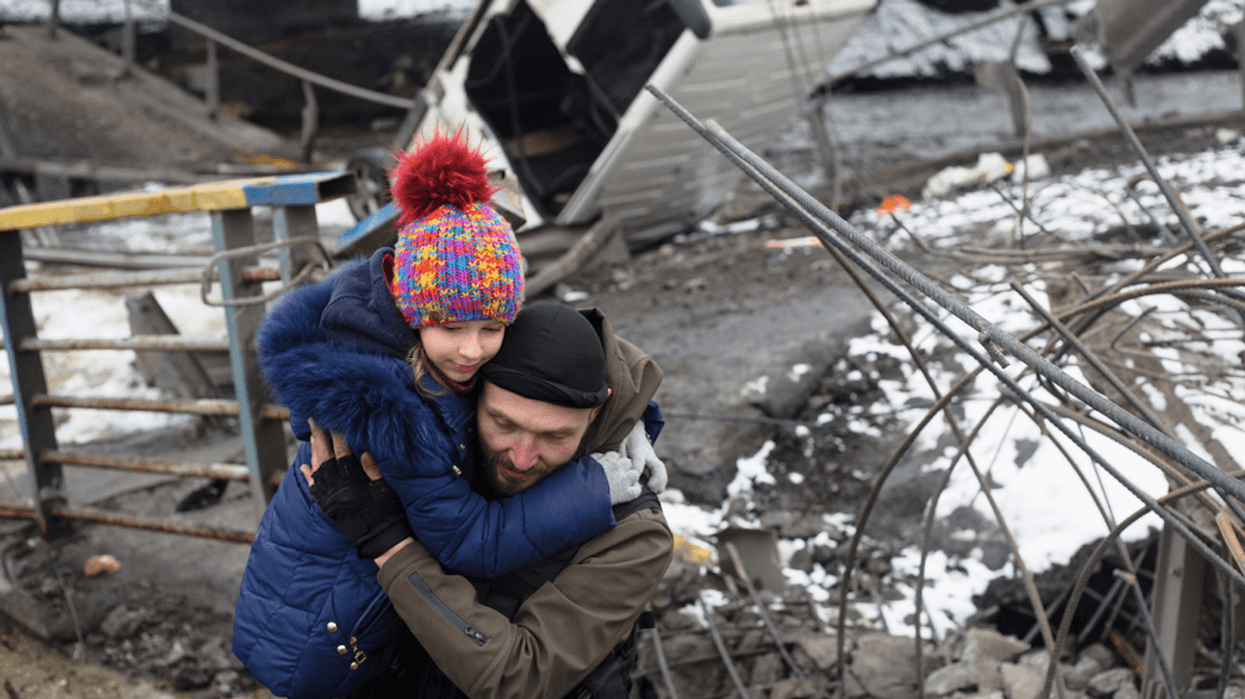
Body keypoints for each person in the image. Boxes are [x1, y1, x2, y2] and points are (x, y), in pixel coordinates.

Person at [232, 133, 653, 699]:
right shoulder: (394, 412)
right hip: (319, 630)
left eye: (492, 327)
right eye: (452, 327)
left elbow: (556, 354)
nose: (473, 350)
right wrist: (591, 486)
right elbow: (469, 542)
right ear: (413, 312)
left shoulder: (435, 354)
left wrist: (634, 423)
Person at [302, 301, 675, 699]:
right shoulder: (441, 449)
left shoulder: (635, 535)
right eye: (503, 423)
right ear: (472, 391)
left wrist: (389, 546)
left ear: (595, 413)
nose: (521, 457)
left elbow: (521, 677)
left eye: (554, 437)